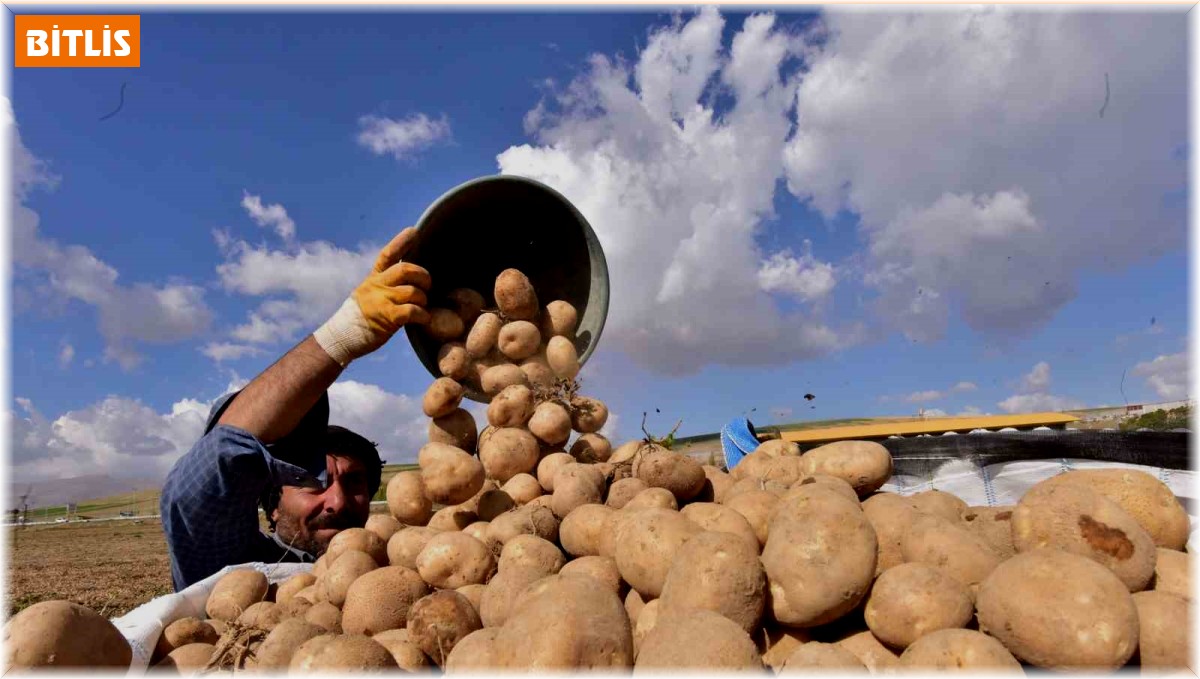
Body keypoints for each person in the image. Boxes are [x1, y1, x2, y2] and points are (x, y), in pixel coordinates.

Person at [161, 227, 432, 590]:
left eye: (354, 483)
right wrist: (343, 335)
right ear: (273, 506)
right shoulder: (239, 572)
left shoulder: (401, 569)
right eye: (313, 483)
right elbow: (202, 485)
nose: (337, 501)